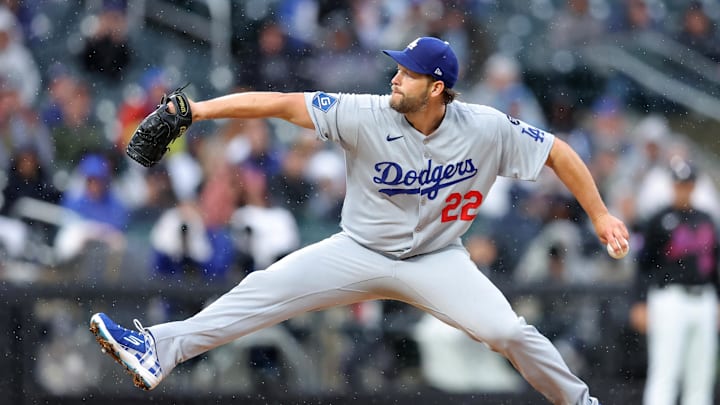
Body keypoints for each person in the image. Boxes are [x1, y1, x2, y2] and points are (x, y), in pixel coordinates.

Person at [89, 37, 628, 405]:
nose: (394, 77)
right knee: (262, 289)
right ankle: (157, 349)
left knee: (509, 330)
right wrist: (199, 111)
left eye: (407, 73)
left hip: (439, 259)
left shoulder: (484, 127)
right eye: (397, 68)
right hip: (359, 250)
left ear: (436, 88)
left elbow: (557, 151)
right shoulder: (364, 112)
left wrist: (600, 214)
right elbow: (279, 104)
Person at [629, 158, 719, 405]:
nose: (683, 189)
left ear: (694, 186)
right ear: (672, 185)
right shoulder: (659, 219)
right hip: (669, 298)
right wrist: (639, 301)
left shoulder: (707, 219)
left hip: (704, 298)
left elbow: (715, 264)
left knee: (701, 378)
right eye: (679, 184)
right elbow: (643, 264)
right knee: (665, 373)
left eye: (688, 184)